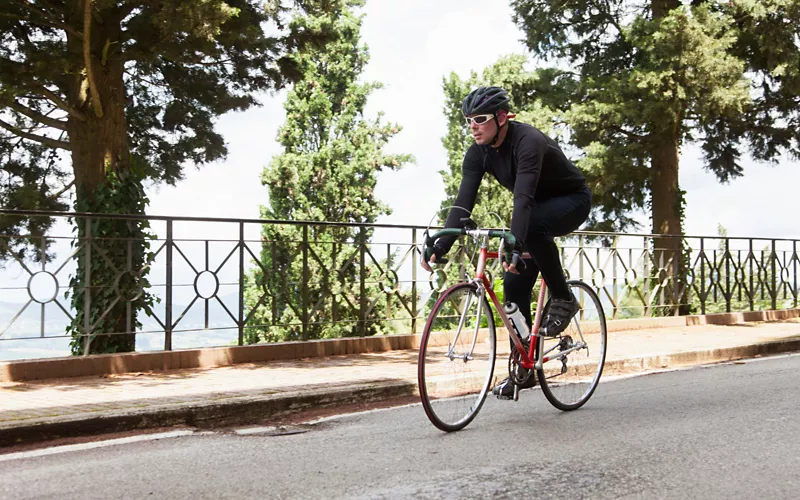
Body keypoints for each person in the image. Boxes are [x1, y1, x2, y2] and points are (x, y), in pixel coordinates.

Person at [421, 86, 591, 399]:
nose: (473, 126)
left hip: (571, 200)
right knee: (512, 288)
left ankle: (563, 297)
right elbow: (462, 205)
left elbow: (522, 199)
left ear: (502, 117)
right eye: (469, 120)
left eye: (480, 119)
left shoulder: (528, 141)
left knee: (534, 227)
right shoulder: (477, 153)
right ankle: (525, 367)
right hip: (533, 212)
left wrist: (515, 241)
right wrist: (440, 244)